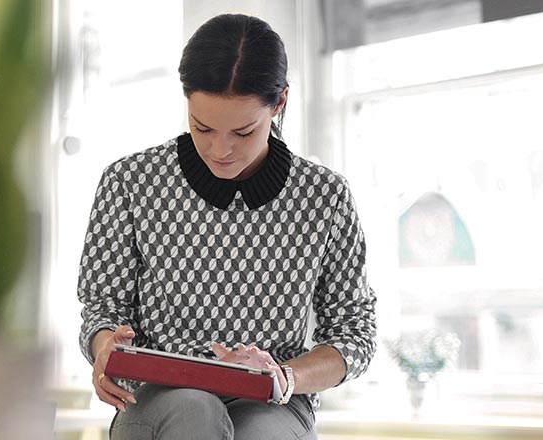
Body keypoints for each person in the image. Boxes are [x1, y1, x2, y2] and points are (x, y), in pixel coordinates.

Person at [77, 13, 377, 440]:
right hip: (159, 402)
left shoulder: (325, 197)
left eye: (243, 131)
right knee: (193, 410)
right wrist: (105, 345)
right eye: (202, 127)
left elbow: (354, 333)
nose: (220, 150)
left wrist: (284, 377)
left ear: (280, 103)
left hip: (275, 405)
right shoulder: (129, 183)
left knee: (263, 433)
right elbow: (101, 309)